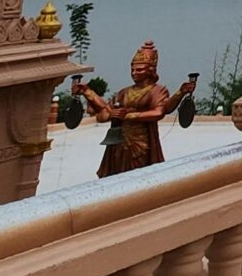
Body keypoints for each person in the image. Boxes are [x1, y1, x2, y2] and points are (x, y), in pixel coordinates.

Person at [83, 42, 200, 177]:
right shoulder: (123, 92)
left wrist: (128, 116)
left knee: (138, 176)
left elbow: (159, 112)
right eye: (132, 70)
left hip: (140, 144)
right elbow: (104, 113)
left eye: (139, 70)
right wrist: (88, 93)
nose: (134, 73)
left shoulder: (157, 91)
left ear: (150, 70)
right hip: (118, 143)